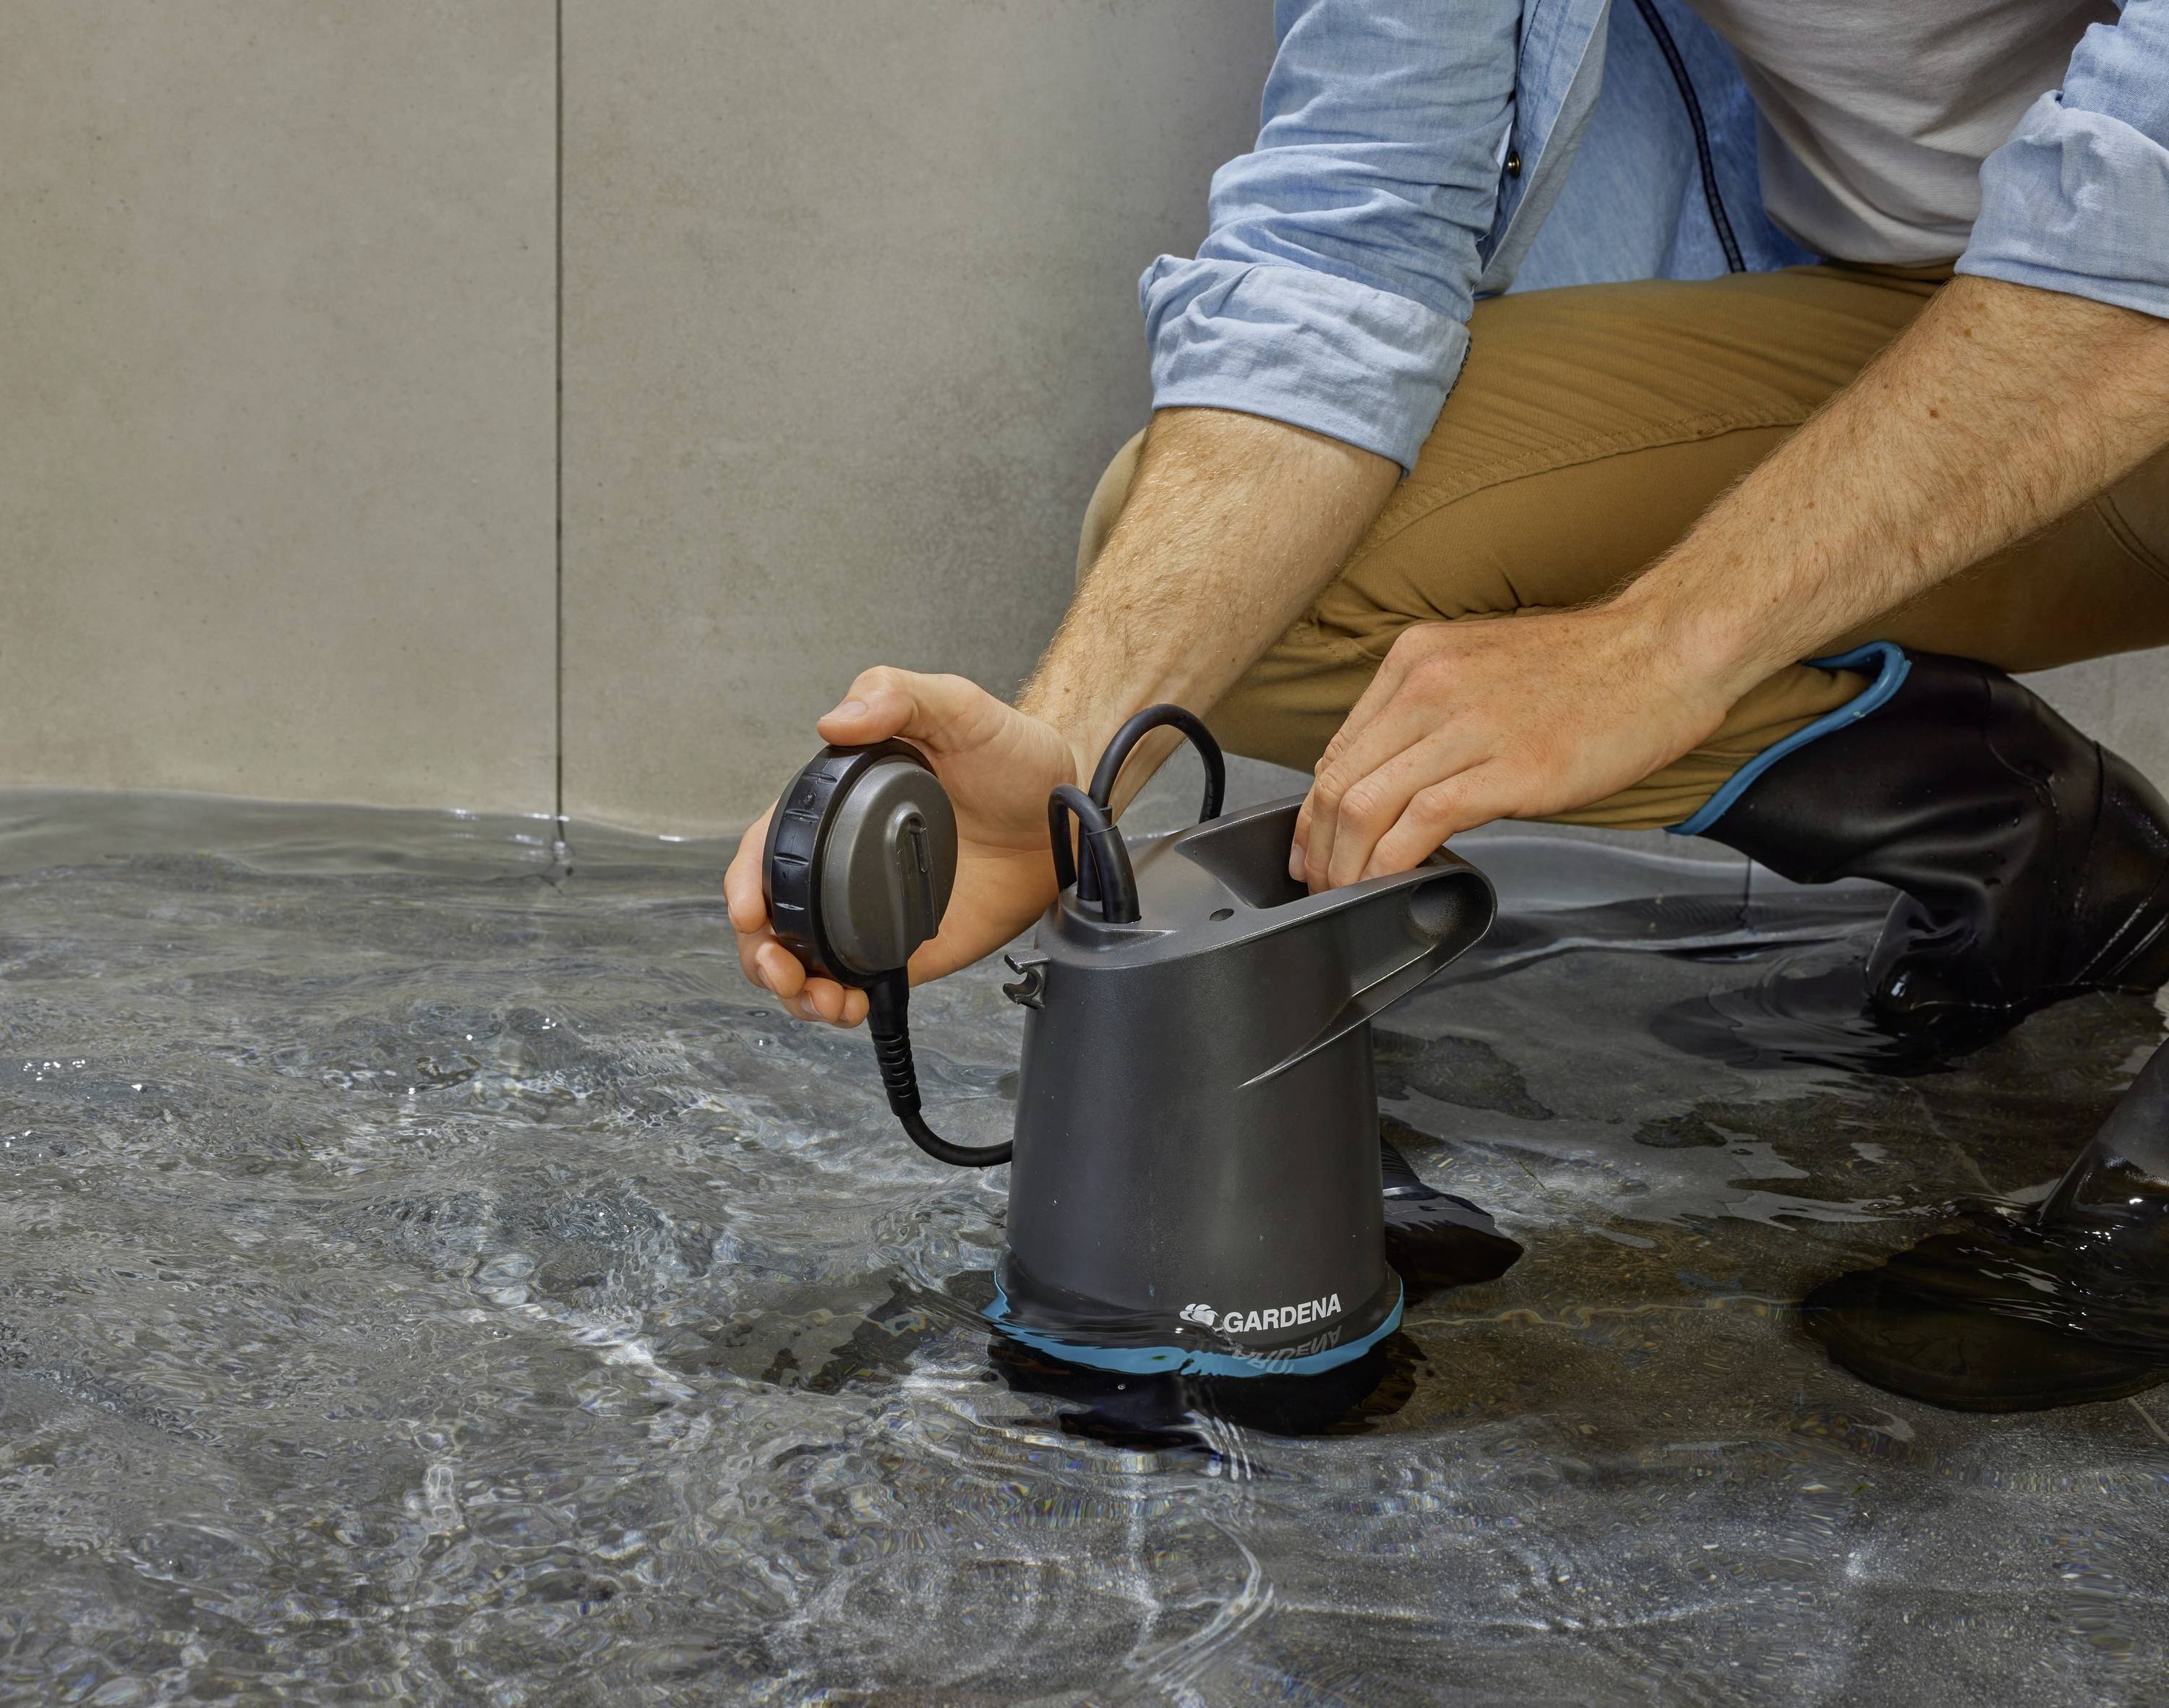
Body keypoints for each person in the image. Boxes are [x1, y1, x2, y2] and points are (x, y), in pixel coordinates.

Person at [726, 1, 2169, 1406]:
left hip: (2133, 284)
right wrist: (1067, 766)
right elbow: (1350, 227)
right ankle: (2025, 840)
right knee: (1298, 586)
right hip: (1943, 305)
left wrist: (1661, 649)